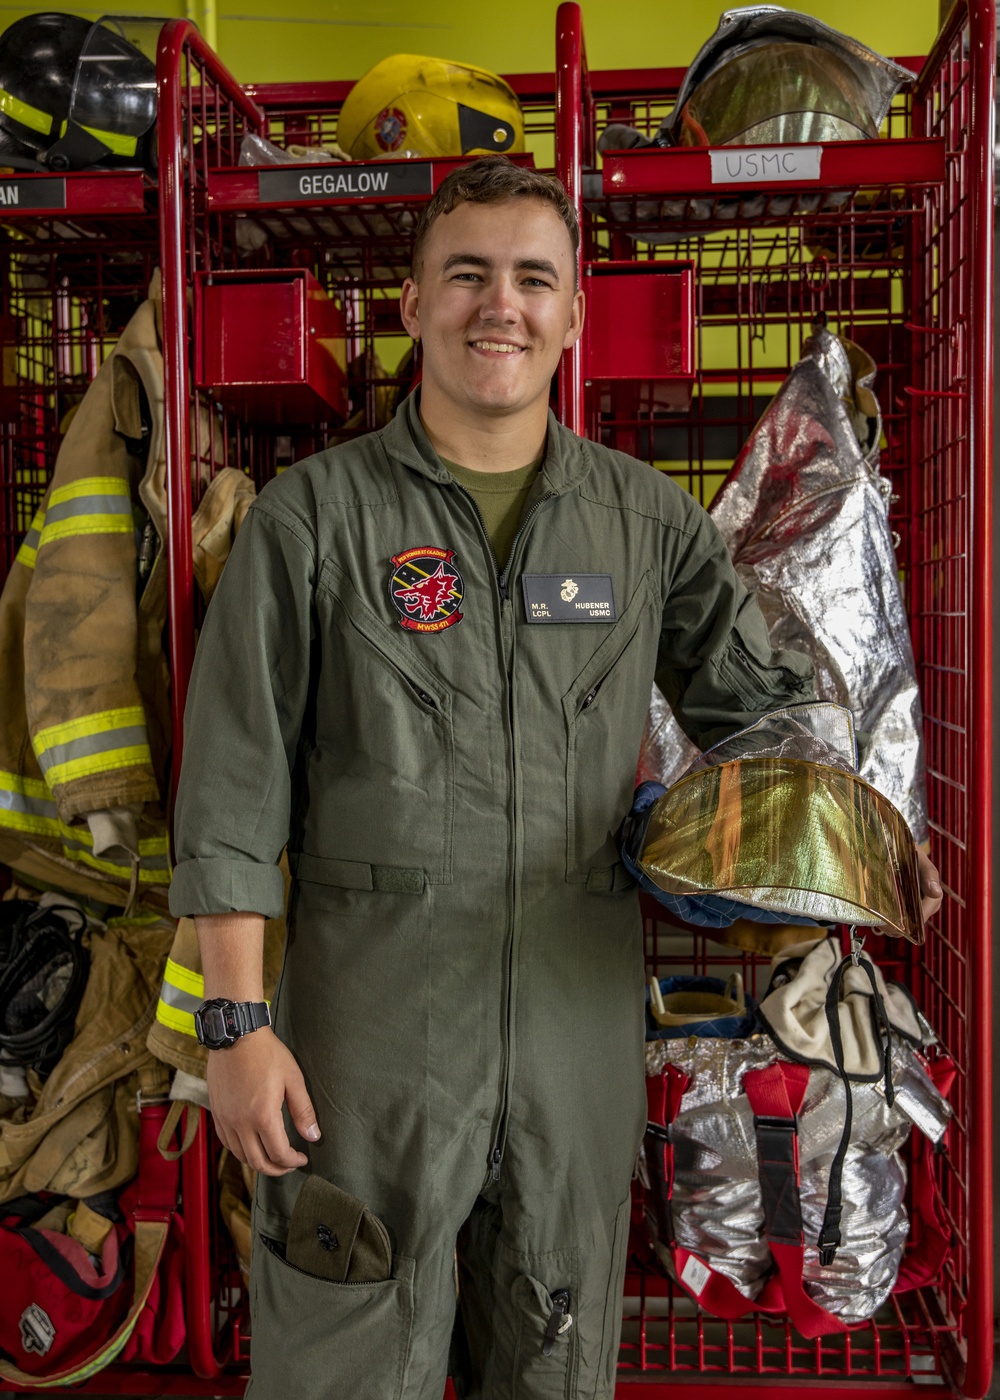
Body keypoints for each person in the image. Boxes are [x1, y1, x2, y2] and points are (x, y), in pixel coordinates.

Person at [168, 156, 943, 1400]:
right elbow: (233, 790)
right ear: (412, 303)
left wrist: (817, 835)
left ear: (572, 313)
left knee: (557, 1340)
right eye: (466, 274)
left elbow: (765, 719)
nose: (501, 306)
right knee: (346, 1341)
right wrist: (236, 1024)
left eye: (533, 278)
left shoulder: (644, 525)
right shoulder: (312, 523)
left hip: (575, 1010)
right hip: (371, 1022)